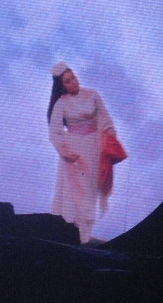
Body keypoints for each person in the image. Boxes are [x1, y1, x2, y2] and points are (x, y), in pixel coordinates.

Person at [47, 62, 119, 244]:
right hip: (74, 151)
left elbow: (104, 117)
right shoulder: (61, 103)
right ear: (62, 86)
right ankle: (70, 232)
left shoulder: (92, 94)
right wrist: (65, 152)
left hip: (94, 147)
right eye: (68, 81)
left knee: (90, 189)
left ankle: (84, 234)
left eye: (73, 78)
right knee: (75, 191)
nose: (73, 82)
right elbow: (54, 131)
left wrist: (109, 134)